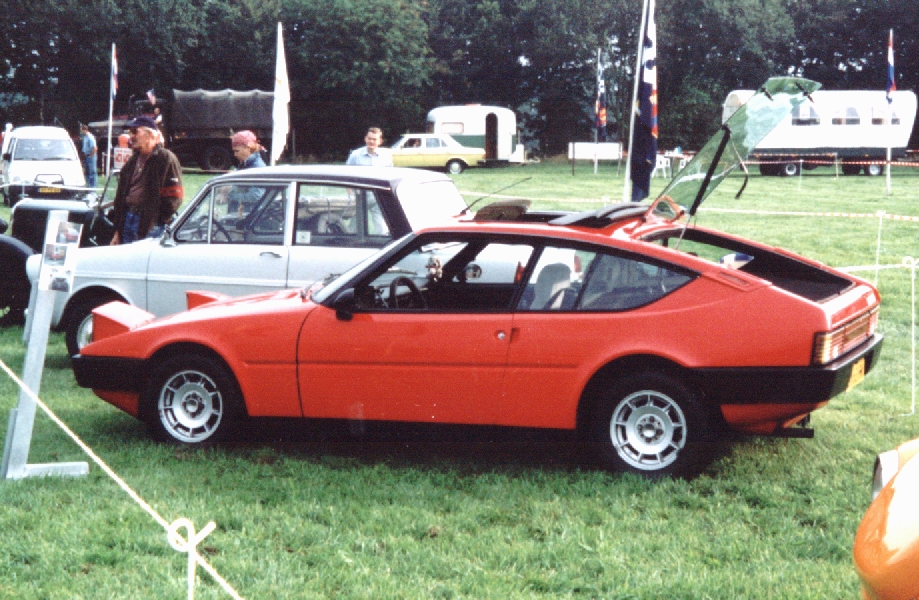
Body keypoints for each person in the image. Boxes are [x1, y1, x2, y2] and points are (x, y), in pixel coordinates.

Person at [110, 116, 184, 245]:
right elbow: (120, 196)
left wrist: (155, 219)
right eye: (130, 133)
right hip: (128, 219)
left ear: (149, 135)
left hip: (151, 225)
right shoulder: (132, 161)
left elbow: (175, 197)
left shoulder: (166, 158)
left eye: (135, 132)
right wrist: (117, 231)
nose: (131, 137)